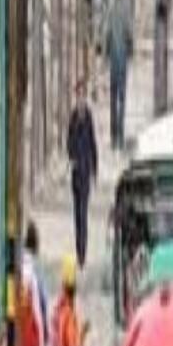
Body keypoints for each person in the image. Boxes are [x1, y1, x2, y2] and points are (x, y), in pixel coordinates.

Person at [65, 79, 99, 269]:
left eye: (82, 95)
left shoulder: (89, 117)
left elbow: (93, 142)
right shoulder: (73, 118)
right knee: (76, 214)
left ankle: (82, 253)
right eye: (78, 95)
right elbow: (68, 140)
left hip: (85, 171)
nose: (80, 99)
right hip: (76, 172)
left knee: (83, 213)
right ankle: (79, 247)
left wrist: (95, 168)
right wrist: (72, 157)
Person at [103, 0, 133, 151]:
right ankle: (120, 135)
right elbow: (129, 34)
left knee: (113, 99)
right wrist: (130, 50)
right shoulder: (125, 11)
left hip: (114, 60)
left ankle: (113, 134)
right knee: (122, 98)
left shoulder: (111, 10)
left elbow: (106, 34)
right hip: (122, 61)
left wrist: (107, 54)